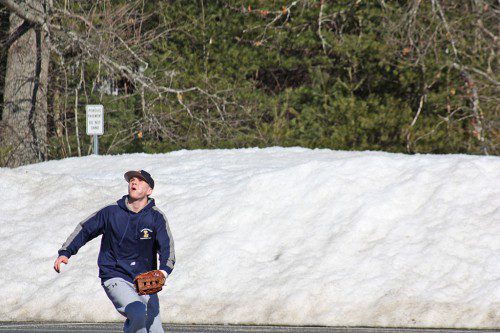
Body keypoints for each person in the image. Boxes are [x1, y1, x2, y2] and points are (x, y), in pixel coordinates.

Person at [53, 170, 175, 333]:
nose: (134, 182)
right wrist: (65, 252)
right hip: (115, 274)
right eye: (131, 180)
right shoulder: (111, 212)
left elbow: (167, 250)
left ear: (149, 190)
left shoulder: (156, 217)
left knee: (155, 330)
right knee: (138, 312)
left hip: (145, 280)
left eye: (140, 180)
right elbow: (85, 229)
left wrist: (163, 272)